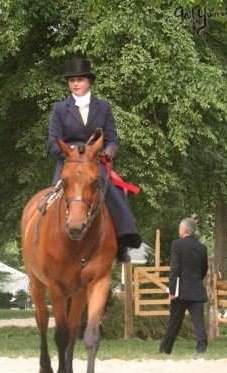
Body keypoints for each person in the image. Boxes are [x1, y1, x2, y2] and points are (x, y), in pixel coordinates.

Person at [48, 58, 141, 262]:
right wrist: (73, 153)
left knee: (117, 193)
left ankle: (121, 242)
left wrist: (110, 149)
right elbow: (53, 144)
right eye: (71, 80)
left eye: (79, 79)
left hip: (95, 163)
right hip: (69, 163)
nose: (75, 84)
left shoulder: (104, 107)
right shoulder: (59, 109)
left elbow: (112, 139)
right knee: (48, 201)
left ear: (89, 81)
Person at [159, 217, 208, 354]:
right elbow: (204, 269)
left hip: (180, 292)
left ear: (183, 229)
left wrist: (172, 291)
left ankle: (165, 350)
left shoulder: (177, 244)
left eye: (179, 228)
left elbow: (175, 269)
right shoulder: (202, 248)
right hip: (196, 290)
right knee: (199, 323)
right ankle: (202, 349)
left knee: (174, 323)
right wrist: (196, 281)